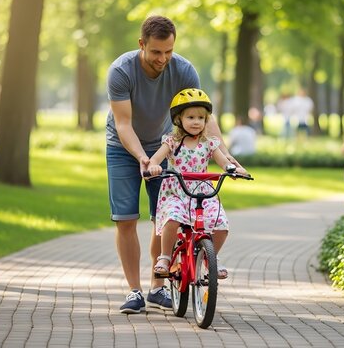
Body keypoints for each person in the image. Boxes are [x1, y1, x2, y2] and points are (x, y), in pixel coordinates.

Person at [106, 16, 234, 314]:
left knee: (162, 218)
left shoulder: (184, 70)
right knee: (126, 218)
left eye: (168, 51)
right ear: (142, 45)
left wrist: (227, 157)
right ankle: (134, 291)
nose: (162, 59)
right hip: (123, 147)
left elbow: (204, 120)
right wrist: (142, 158)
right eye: (155, 52)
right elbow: (124, 124)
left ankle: (157, 287)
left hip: (166, 146)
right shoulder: (121, 71)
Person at [147, 88, 248, 281]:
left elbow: (223, 161)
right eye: (191, 117)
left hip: (202, 193)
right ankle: (166, 258)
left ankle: (211, 259)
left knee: (221, 224)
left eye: (201, 118)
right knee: (172, 218)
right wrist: (153, 167)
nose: (196, 122)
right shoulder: (172, 142)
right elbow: (155, 159)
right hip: (176, 192)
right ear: (179, 119)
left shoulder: (209, 143)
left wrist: (232, 169)